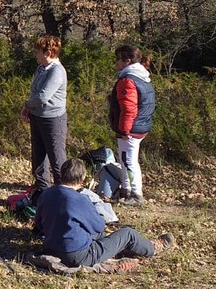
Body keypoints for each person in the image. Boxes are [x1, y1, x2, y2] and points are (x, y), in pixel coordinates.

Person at [34, 158, 174, 268]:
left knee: (99, 236)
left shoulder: (46, 194)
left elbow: (39, 225)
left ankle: (118, 250)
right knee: (127, 233)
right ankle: (152, 248)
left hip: (50, 247)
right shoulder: (80, 199)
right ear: (82, 179)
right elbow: (99, 225)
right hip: (78, 255)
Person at [21, 34, 67, 202]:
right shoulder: (40, 69)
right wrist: (29, 109)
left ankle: (63, 192)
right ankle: (42, 189)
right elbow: (35, 92)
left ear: (47, 52)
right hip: (37, 116)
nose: (35, 54)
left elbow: (42, 97)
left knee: (56, 156)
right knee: (38, 155)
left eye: (38, 51)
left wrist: (27, 104)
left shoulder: (57, 71)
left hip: (53, 119)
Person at [109, 44, 157, 206]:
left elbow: (128, 108)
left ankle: (135, 195)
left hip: (131, 128)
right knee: (127, 160)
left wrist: (124, 129)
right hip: (141, 126)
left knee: (128, 161)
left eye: (118, 59)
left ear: (127, 61)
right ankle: (127, 192)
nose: (116, 63)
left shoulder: (127, 80)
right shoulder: (143, 76)